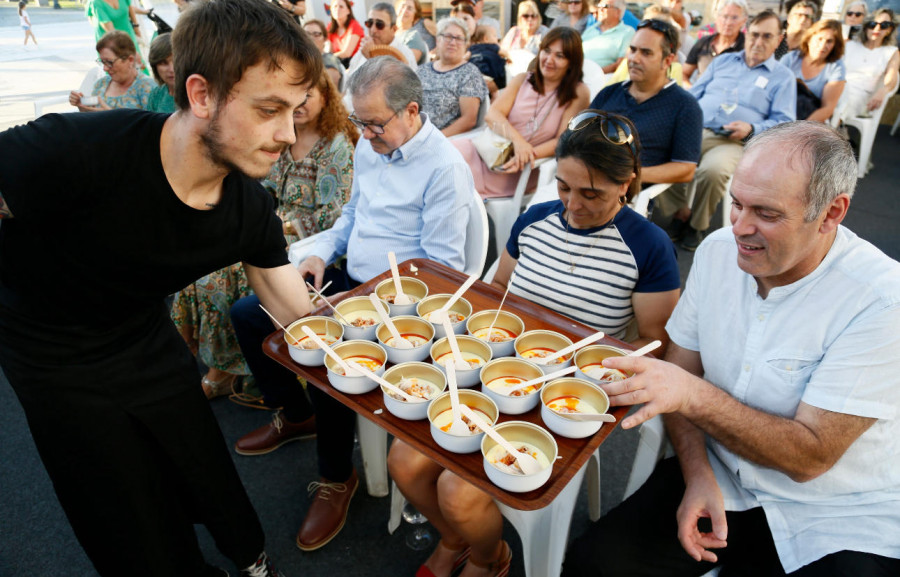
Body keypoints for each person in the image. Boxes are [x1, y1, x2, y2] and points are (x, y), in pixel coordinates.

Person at [0, 0, 321, 574]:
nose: (286, 134)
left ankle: (247, 557)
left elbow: (290, 305)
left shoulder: (248, 206)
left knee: (201, 463)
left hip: (141, 334)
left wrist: (384, 368)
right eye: (270, 109)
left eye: (295, 111)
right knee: (120, 505)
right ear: (201, 95)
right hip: (48, 352)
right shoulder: (77, 148)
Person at [562, 120, 900, 577]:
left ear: (832, 212)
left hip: (836, 511)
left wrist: (692, 394)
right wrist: (698, 473)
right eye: (736, 203)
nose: (739, 227)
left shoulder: (880, 300)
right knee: (593, 564)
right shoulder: (717, 251)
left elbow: (809, 458)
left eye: (766, 213)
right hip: (717, 468)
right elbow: (677, 377)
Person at [389, 111, 680, 577]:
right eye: (563, 186)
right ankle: (454, 539)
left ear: (626, 184)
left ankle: (489, 559)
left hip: (566, 397)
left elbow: (655, 342)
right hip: (498, 371)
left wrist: (600, 367)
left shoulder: (648, 245)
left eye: (592, 194)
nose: (573, 205)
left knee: (457, 491)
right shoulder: (535, 219)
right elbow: (496, 292)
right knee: (402, 459)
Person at [230, 56, 477, 553]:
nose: (363, 134)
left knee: (326, 354)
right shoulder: (373, 143)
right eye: (356, 122)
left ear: (411, 111)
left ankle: (337, 476)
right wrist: (320, 254)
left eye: (373, 123)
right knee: (250, 314)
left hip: (405, 303)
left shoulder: (445, 167)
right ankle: (296, 414)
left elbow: (440, 273)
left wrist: (358, 301)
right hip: (355, 281)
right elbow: (353, 213)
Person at [172, 70, 357, 400]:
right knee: (205, 267)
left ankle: (234, 369)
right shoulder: (286, 139)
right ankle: (202, 354)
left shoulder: (335, 147)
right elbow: (266, 189)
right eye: (291, 100)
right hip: (273, 228)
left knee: (229, 272)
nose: (297, 107)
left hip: (309, 241)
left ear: (326, 99)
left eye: (306, 98)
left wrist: (280, 225)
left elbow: (334, 214)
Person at [662, 10, 796, 251]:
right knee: (660, 153)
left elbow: (785, 122)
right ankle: (679, 211)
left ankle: (696, 225)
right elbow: (694, 94)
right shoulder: (723, 61)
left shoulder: (783, 77)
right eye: (755, 34)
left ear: (779, 39)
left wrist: (752, 127)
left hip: (734, 141)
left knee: (712, 171)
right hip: (696, 130)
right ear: (747, 34)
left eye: (767, 36)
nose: (759, 42)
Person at [454, 26, 591, 200]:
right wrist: (519, 143)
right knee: (442, 158)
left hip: (517, 168)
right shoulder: (522, 80)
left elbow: (562, 141)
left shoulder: (578, 93)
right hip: (487, 149)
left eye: (560, 56)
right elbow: (493, 114)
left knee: (453, 182)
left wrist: (526, 154)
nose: (549, 60)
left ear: (572, 62)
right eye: (547, 51)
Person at [591, 18, 702, 185]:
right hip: (585, 177)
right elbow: (577, 135)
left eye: (646, 53)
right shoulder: (610, 93)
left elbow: (685, 169)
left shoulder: (685, 106)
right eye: (633, 50)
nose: (635, 58)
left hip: (628, 192)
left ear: (667, 60)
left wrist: (628, 174)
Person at [417, 17, 489, 136]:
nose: (453, 42)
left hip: (445, 140)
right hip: (412, 135)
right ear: (437, 40)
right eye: (448, 36)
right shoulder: (421, 70)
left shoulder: (469, 73)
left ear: (466, 44)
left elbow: (469, 120)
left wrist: (435, 138)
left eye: (459, 38)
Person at [68, 30, 156, 112]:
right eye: (103, 62)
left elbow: (151, 126)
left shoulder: (148, 88)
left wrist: (108, 114)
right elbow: (91, 117)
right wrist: (82, 105)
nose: (105, 68)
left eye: (109, 62)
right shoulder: (101, 84)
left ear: (130, 60)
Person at [837, 8, 899, 121]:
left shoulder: (891, 52)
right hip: (838, 88)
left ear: (890, 29)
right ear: (866, 27)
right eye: (872, 24)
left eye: (884, 25)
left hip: (861, 97)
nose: (877, 28)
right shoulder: (850, 45)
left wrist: (883, 91)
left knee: (839, 103)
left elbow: (891, 78)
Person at [780, 20, 846, 122]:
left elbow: (827, 108)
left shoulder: (836, 67)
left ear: (835, 45)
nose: (823, 45)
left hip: (810, 120)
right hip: (780, 112)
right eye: (819, 39)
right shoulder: (791, 59)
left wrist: (799, 129)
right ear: (809, 39)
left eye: (829, 41)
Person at [682, 0, 747, 87]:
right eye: (725, 16)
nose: (728, 23)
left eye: (734, 18)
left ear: (743, 21)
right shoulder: (704, 43)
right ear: (717, 18)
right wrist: (693, 93)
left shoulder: (747, 47)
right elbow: (684, 73)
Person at [346, 2, 418, 77]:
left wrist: (372, 57)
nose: (373, 30)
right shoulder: (364, 49)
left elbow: (402, 85)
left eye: (379, 25)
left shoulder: (404, 53)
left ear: (393, 29)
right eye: (370, 23)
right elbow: (349, 78)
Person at [581, 0, 636, 73]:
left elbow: (621, 64)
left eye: (605, 6)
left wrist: (595, 73)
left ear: (618, 12)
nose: (600, 9)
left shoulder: (627, 32)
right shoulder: (590, 30)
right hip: (579, 74)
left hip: (604, 77)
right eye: (599, 6)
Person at [305, 18, 346, 91]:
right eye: (306, 34)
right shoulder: (303, 60)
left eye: (316, 34)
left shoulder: (329, 60)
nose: (310, 38)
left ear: (324, 39)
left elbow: (330, 91)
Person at [468, 24, 507, 96]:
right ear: (486, 39)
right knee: (494, 93)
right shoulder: (493, 46)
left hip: (474, 75)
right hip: (489, 75)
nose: (497, 39)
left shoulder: (472, 48)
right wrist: (508, 57)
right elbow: (503, 52)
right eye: (494, 36)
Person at [328, 0, 364, 67]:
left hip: (355, 64)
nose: (337, 9)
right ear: (331, 10)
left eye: (341, 7)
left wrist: (327, 58)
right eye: (335, 6)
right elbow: (330, 51)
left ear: (348, 11)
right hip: (339, 64)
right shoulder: (330, 27)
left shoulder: (354, 25)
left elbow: (347, 53)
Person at [146, 32, 176, 113]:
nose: (171, 69)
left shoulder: (197, 94)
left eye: (176, 61)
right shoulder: (156, 94)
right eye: (163, 63)